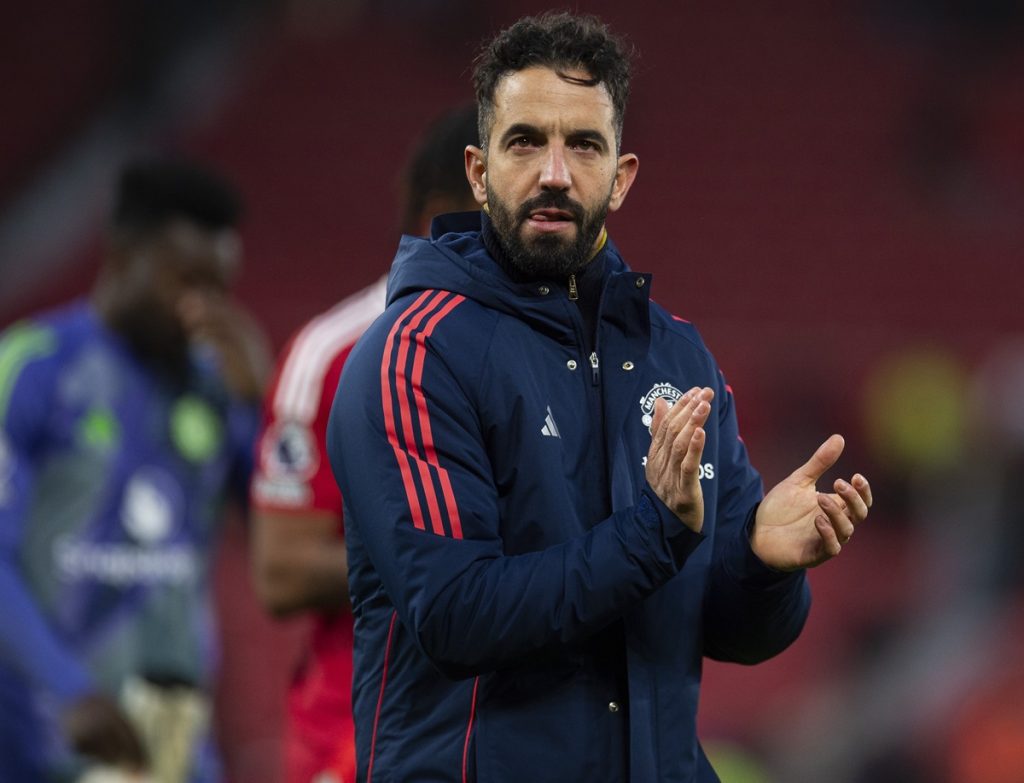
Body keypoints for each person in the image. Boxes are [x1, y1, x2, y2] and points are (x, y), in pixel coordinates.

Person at [327, 12, 875, 783]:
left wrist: (763, 565)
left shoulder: (676, 354)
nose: (555, 172)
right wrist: (655, 533)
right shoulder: (416, 354)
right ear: (481, 174)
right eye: (526, 142)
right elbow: (455, 613)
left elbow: (727, 626)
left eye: (583, 145)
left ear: (621, 176)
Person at [0, 159, 270, 783]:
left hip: (174, 755)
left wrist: (259, 408)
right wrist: (70, 689)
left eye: (218, 288)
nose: (200, 309)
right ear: (123, 257)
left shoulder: (213, 390)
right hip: (45, 747)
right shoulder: (35, 367)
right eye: (186, 281)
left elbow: (276, 548)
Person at [249, 105, 479, 783]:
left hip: (504, 735)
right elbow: (282, 571)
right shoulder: (332, 355)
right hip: (360, 743)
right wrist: (448, 557)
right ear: (444, 212)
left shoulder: (549, 355)